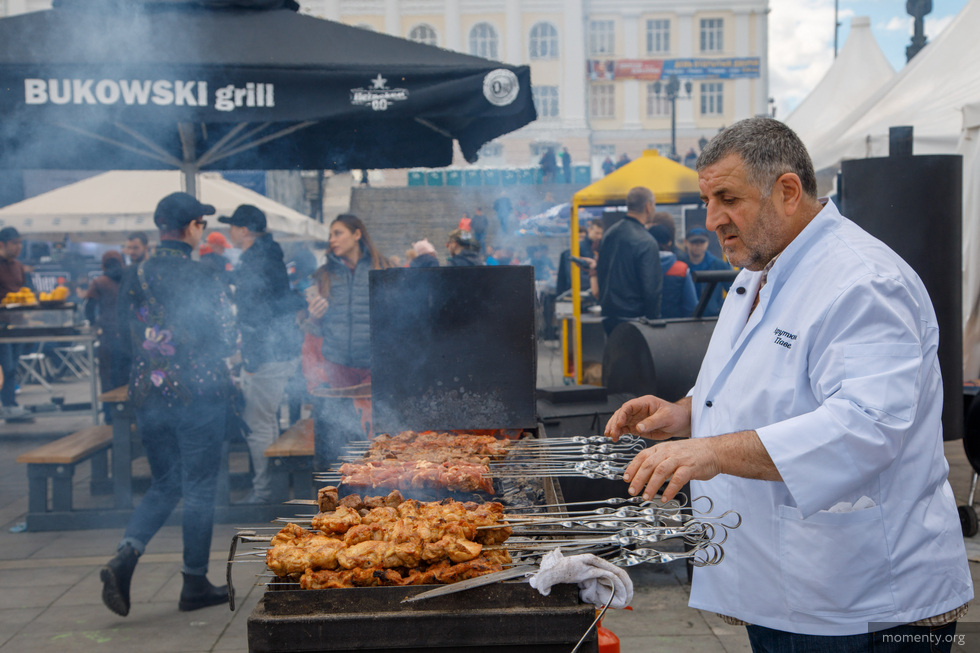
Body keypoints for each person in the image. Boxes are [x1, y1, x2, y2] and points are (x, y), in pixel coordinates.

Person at [604, 117, 973, 651]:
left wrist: (711, 451)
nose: (711, 220)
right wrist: (686, 412)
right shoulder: (757, 270)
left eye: (726, 198)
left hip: (863, 601)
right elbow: (764, 382)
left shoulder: (864, 281)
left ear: (788, 191)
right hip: (781, 589)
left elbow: (866, 429)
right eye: (708, 200)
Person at [101, 192, 235, 616]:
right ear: (194, 227)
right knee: (197, 489)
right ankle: (194, 583)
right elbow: (226, 335)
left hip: (149, 394)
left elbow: (123, 337)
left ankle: (126, 553)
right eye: (202, 225)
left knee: (165, 483)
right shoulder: (206, 275)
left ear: (160, 228)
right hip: (200, 395)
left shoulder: (135, 274)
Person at [220, 204, 303, 505]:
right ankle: (270, 487)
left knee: (257, 423)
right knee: (265, 420)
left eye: (232, 226)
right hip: (279, 349)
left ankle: (266, 492)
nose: (229, 231)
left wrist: (251, 359)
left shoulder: (256, 258)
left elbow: (255, 314)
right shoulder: (269, 255)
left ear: (244, 230)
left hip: (268, 353)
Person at [303, 214, 386, 471]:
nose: (332, 240)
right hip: (336, 370)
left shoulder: (382, 268)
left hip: (373, 371)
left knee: (377, 450)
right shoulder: (323, 276)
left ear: (357, 234)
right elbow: (311, 328)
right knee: (338, 448)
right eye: (330, 235)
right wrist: (313, 317)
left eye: (337, 233)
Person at [595, 187, 662, 334]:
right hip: (636, 322)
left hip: (609, 319)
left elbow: (601, 272)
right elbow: (651, 290)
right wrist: (653, 323)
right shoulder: (646, 241)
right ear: (648, 206)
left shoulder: (609, 234)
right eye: (654, 205)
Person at [84, 250, 127, 421]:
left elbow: (88, 307)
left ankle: (109, 416)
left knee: (108, 375)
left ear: (103, 265)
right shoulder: (127, 281)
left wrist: (94, 324)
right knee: (125, 375)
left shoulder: (99, 282)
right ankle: (126, 414)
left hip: (107, 336)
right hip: (126, 335)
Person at [0, 227, 33, 422]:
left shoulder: (19, 266)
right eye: (15, 243)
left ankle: (10, 403)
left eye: (20, 243)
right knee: (7, 365)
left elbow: (25, 289)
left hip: (18, 324)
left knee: (14, 366)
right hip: (2, 326)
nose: (19, 247)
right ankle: (7, 404)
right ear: (2, 244)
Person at [648, 224, 697, 318]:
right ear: (670, 242)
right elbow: (691, 306)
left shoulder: (640, 267)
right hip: (674, 326)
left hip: (645, 327)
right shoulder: (681, 269)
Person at [685, 226, 732, 317]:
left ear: (707, 243)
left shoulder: (719, 265)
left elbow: (734, 290)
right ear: (686, 242)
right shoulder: (681, 265)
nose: (698, 245)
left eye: (701, 242)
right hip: (686, 319)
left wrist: (719, 307)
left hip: (711, 318)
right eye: (694, 242)